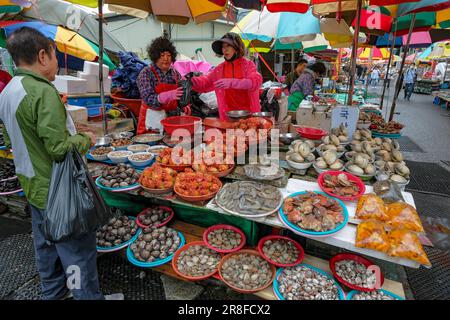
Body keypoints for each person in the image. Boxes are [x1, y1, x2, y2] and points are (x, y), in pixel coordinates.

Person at [0, 27, 105, 300]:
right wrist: (85, 138)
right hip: (57, 190)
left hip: (32, 185)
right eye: (56, 56)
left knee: (46, 246)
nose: (57, 63)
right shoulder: (42, 92)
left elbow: (12, 134)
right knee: (77, 254)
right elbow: (59, 150)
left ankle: (53, 293)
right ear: (43, 55)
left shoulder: (9, 90)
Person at [190, 32, 263, 120]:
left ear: (236, 48)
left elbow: (256, 81)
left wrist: (233, 82)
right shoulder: (219, 69)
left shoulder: (248, 65)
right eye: (223, 47)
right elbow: (205, 83)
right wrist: (189, 81)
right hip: (228, 118)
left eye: (228, 46)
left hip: (250, 116)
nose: (225, 49)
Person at [136, 36, 183, 134]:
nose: (166, 59)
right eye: (162, 55)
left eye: (169, 55)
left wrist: (184, 105)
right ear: (155, 56)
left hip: (171, 122)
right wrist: (165, 97)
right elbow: (148, 98)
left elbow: (181, 94)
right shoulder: (146, 73)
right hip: (151, 123)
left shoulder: (175, 74)